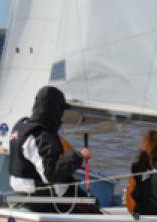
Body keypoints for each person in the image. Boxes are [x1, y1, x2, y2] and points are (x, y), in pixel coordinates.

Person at [7, 85, 97, 213]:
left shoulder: (21, 126)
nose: (61, 116)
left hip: (21, 194)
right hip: (41, 200)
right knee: (92, 209)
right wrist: (79, 156)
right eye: (60, 111)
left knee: (81, 194)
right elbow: (51, 173)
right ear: (55, 110)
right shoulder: (41, 136)